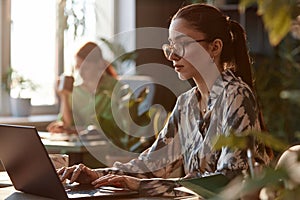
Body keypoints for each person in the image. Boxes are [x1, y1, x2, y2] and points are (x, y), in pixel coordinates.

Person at [58, 3, 273, 197]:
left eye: (183, 44)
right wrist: (96, 175)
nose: (171, 55)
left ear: (214, 48)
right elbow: (153, 163)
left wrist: (142, 186)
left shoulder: (236, 96)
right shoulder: (186, 103)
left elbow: (228, 179)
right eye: (170, 46)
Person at [47, 42, 118, 134]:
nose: (81, 73)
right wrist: (64, 96)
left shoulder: (116, 88)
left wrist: (76, 130)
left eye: (86, 68)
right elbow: (67, 123)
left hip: (105, 145)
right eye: (78, 67)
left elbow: (114, 127)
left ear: (99, 64)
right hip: (76, 145)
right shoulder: (75, 92)